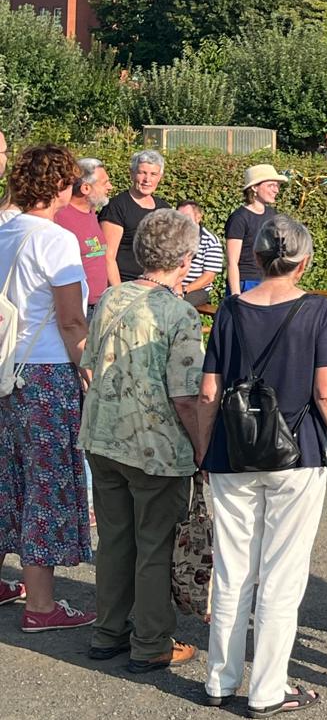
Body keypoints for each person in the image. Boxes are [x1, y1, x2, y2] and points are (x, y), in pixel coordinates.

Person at [197, 215, 327, 717]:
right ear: (303, 262)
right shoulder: (316, 310)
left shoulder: (229, 310)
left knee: (232, 569)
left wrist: (203, 452)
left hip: (232, 450)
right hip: (298, 451)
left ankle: (220, 678)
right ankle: (268, 688)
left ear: (256, 258)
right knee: (281, 573)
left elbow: (208, 391)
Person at [80, 208, 205, 673]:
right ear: (185, 259)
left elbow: (89, 363)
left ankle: (108, 630)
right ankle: (151, 641)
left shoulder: (112, 297)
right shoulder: (179, 313)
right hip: (155, 446)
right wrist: (202, 446)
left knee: (114, 540)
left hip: (102, 435)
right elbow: (186, 395)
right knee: (154, 544)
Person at [0, 144, 93, 631]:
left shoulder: (4, 231)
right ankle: (40, 606)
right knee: (46, 481)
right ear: (59, 185)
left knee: (7, 477)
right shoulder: (55, 240)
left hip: (6, 369)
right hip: (46, 371)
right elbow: (72, 319)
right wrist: (90, 370)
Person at [99, 150, 170, 287]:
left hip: (155, 287)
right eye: (142, 173)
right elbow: (107, 256)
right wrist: (118, 292)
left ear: (160, 177)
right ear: (132, 174)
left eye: (153, 174)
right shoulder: (117, 206)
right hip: (125, 285)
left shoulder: (164, 208)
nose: (147, 179)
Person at [56, 158, 112, 313]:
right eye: (104, 183)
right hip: (77, 308)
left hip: (99, 304)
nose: (110, 187)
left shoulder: (91, 212)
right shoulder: (61, 217)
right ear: (86, 188)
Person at [226, 164, 286, 298]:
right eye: (271, 185)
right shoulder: (239, 218)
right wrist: (235, 296)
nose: (276, 190)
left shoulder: (273, 215)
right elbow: (232, 262)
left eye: (277, 185)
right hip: (245, 283)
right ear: (254, 187)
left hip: (268, 281)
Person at [176, 201, 225, 308]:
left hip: (196, 289)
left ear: (198, 218)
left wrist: (184, 290)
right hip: (173, 286)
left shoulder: (210, 241)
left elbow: (209, 277)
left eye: (186, 217)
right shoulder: (172, 237)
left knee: (177, 305)